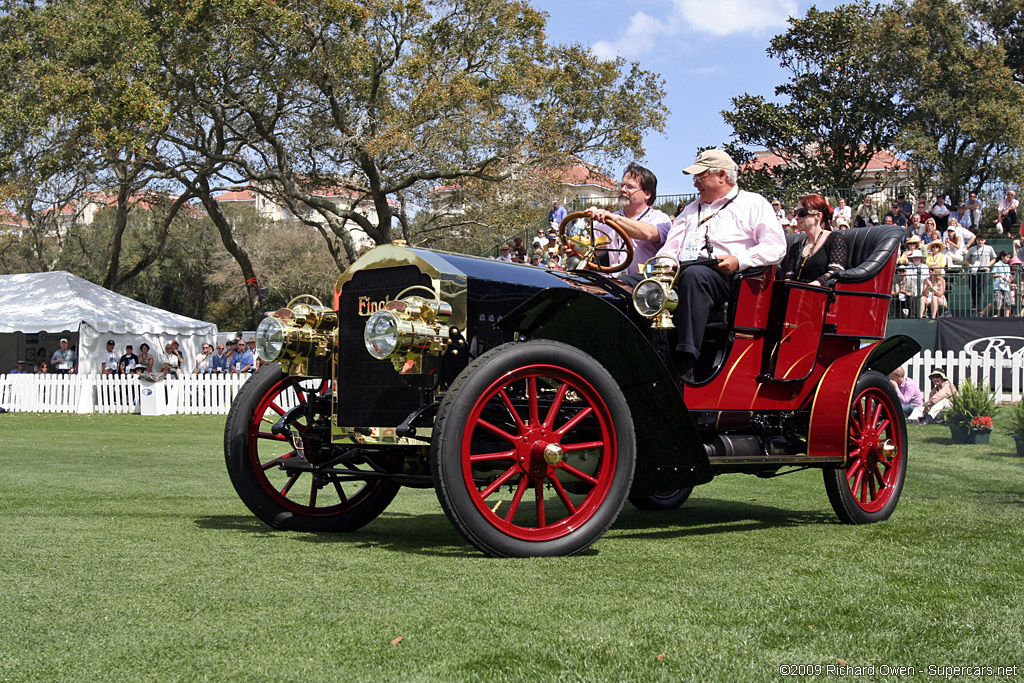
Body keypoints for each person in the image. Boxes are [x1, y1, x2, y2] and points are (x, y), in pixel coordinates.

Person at [636, 148, 786, 374]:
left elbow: (776, 246)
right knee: (634, 282)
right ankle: (633, 350)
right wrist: (664, 264)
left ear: (722, 176)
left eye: (700, 177)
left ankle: (686, 359)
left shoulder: (753, 204)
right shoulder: (691, 209)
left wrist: (739, 260)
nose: (695, 184)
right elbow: (670, 248)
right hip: (684, 271)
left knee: (695, 277)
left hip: (729, 277)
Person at [585, 162, 672, 277]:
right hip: (615, 283)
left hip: (645, 284)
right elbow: (592, 248)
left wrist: (616, 220)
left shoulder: (658, 218)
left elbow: (649, 233)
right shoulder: (607, 220)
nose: (622, 190)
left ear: (647, 194)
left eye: (629, 187)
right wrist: (575, 247)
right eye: (621, 185)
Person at [783, 194, 848, 285]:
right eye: (795, 213)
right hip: (797, 295)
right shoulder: (795, 247)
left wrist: (812, 287)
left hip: (821, 295)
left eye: (802, 213)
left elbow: (835, 272)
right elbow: (789, 278)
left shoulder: (835, 239)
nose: (796, 217)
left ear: (818, 215)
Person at [966, 234, 996, 312]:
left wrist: (988, 265)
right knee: (973, 288)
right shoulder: (972, 249)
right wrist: (970, 265)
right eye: (979, 240)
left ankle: (979, 306)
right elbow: (966, 259)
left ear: (985, 241)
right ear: (976, 240)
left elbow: (994, 258)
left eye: (982, 240)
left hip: (984, 270)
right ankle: (974, 304)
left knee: (981, 289)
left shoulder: (989, 248)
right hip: (974, 270)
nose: (980, 241)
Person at [990, 250, 1014, 317]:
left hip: (1006, 287)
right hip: (998, 286)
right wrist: (1000, 275)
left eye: (1009, 257)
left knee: (1008, 302)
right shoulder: (997, 265)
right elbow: (992, 275)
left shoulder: (1007, 266)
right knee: (998, 302)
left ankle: (1007, 316)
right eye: (1007, 257)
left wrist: (1010, 279)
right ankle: (997, 315)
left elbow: (1009, 275)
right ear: (1002, 257)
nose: (1008, 259)